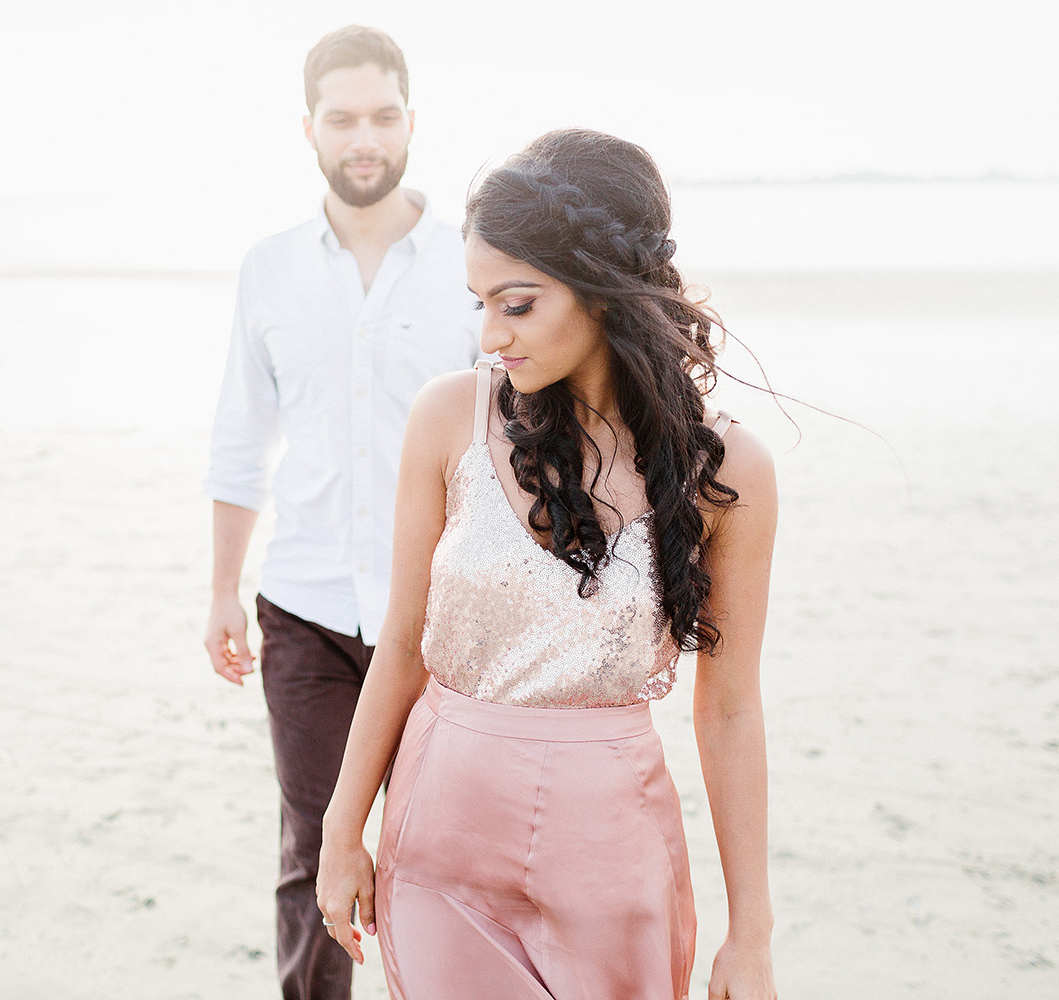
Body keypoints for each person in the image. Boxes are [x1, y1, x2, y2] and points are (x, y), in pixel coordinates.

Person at [315, 128, 780, 1000]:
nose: (491, 336)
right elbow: (403, 645)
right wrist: (345, 826)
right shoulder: (449, 418)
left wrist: (749, 933)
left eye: (517, 304)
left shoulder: (731, 473)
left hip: (615, 856)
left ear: (604, 292)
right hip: (439, 842)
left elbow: (730, 710)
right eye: (478, 303)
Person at [201, 25, 481, 1000]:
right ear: (309, 128)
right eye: (343, 117)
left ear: (412, 120)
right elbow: (242, 437)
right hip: (306, 609)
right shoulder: (269, 269)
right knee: (314, 841)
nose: (365, 136)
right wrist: (221, 593)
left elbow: (510, 441)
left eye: (384, 115)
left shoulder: (471, 266)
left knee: (437, 853)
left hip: (448, 617)